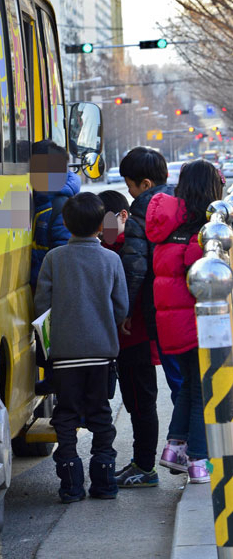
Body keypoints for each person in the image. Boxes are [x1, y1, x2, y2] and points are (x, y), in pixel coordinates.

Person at [34, 192, 129, 502]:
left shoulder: (54, 259)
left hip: (64, 356)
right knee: (101, 416)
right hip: (102, 354)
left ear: (65, 223)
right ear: (102, 225)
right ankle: (104, 482)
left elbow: (42, 306)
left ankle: (71, 483)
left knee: (66, 417)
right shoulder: (111, 260)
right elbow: (120, 308)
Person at [146, 158, 223, 484]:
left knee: (191, 387)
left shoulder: (169, 232)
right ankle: (197, 461)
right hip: (196, 324)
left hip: (172, 326)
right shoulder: (198, 237)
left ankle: (174, 449)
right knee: (203, 393)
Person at [99, 190, 160, 488]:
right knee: (137, 403)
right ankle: (141, 463)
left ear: (123, 216)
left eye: (105, 224)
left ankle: (146, 467)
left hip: (135, 340)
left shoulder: (128, 249)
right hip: (125, 342)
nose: (101, 231)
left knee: (141, 404)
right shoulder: (111, 247)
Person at [119, 147, 183, 403]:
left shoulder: (140, 217)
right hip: (192, 308)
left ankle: (189, 439)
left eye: (130, 186)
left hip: (161, 311)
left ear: (145, 184)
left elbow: (135, 270)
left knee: (177, 380)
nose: (130, 193)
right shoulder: (185, 205)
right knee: (192, 380)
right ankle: (199, 438)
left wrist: (126, 311)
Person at [30, 139, 80, 394]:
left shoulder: (58, 204)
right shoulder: (43, 199)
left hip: (53, 286)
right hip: (42, 281)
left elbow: (61, 248)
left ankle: (65, 397)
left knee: (55, 341)